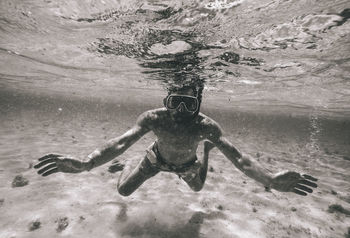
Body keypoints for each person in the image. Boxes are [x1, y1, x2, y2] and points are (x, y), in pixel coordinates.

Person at [34, 84, 317, 196]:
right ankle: (124, 170)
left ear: (199, 103)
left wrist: (268, 180)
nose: (181, 112)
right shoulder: (154, 118)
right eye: (175, 102)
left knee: (197, 189)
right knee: (123, 192)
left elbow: (239, 158)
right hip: (155, 158)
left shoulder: (206, 127)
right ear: (165, 101)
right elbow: (122, 143)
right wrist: (87, 163)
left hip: (187, 163)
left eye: (189, 104)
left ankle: (205, 153)